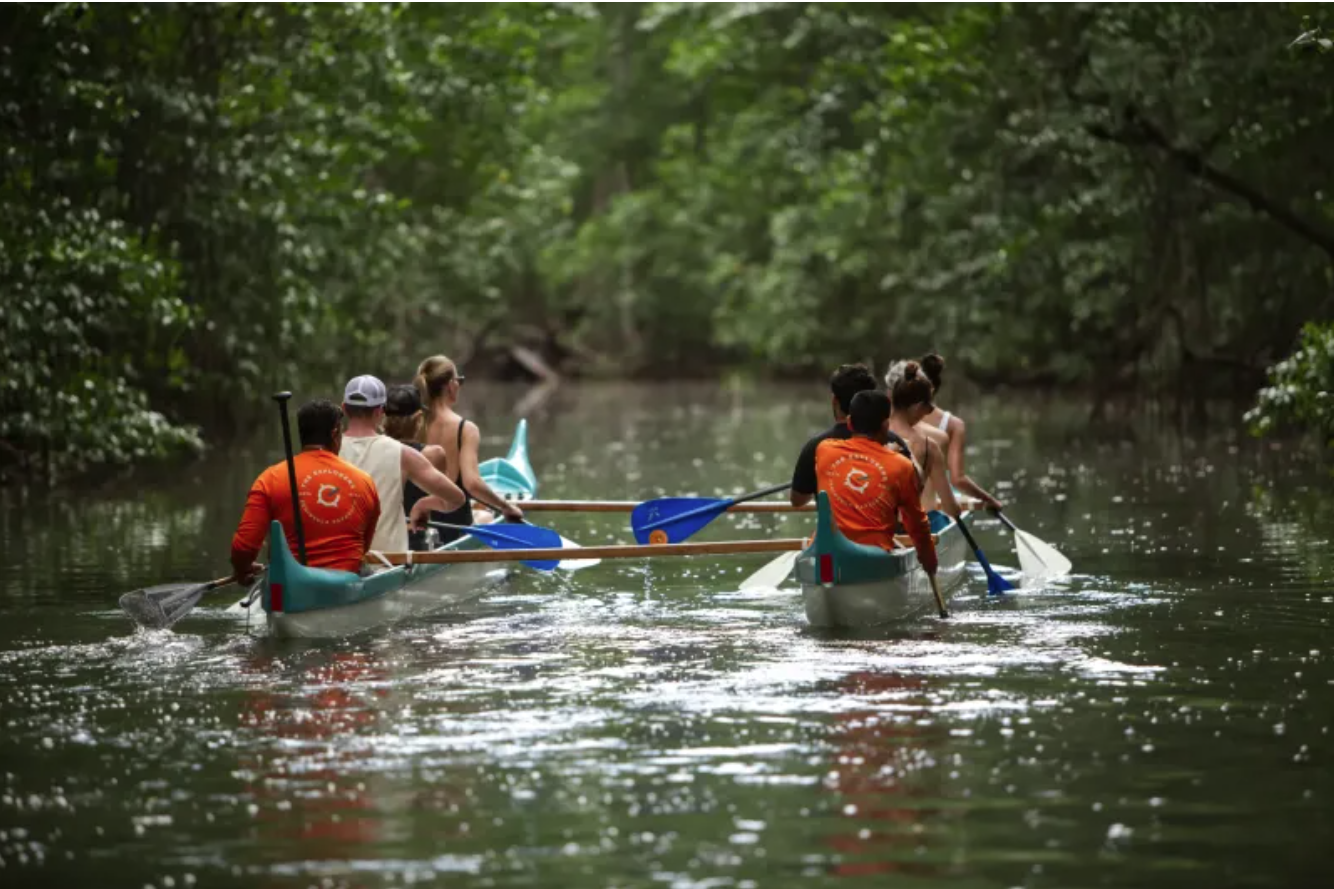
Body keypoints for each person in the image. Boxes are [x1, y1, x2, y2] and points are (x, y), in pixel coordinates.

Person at [230, 399, 381, 583]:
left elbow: (244, 548)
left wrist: (242, 569)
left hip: (288, 587)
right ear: (335, 434)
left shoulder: (269, 479)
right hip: (345, 584)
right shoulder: (364, 481)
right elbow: (364, 546)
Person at [338, 374, 467, 554]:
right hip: (389, 563)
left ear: (343, 409)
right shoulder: (402, 453)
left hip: (340, 561)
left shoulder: (327, 452)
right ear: (380, 412)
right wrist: (423, 505)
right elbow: (457, 498)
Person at [814, 390, 937, 576]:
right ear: (886, 426)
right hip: (873, 554)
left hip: (826, 555)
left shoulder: (824, 450)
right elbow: (915, 522)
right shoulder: (901, 465)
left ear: (849, 423)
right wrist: (928, 559)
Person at [415, 355, 523, 543]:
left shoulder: (408, 425)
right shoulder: (466, 429)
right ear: (450, 385)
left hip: (415, 525)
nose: (459, 385)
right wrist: (506, 507)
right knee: (486, 517)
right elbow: (472, 484)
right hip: (454, 528)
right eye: (459, 381)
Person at [885, 353, 1003, 511]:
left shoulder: (867, 429)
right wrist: (988, 500)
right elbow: (957, 481)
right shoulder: (937, 440)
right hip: (925, 516)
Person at [790, 364, 909, 508]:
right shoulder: (894, 443)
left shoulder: (815, 447)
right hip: (884, 530)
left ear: (835, 401)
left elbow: (798, 501)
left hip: (834, 531)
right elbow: (911, 497)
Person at [887, 361, 963, 520]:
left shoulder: (866, 433)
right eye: (927, 409)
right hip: (911, 529)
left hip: (871, 529)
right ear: (917, 407)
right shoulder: (930, 447)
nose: (926, 415)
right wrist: (957, 510)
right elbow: (950, 508)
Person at [382, 383, 451, 551]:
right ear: (419, 418)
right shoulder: (434, 455)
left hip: (375, 544)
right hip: (415, 545)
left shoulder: (370, 450)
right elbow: (446, 504)